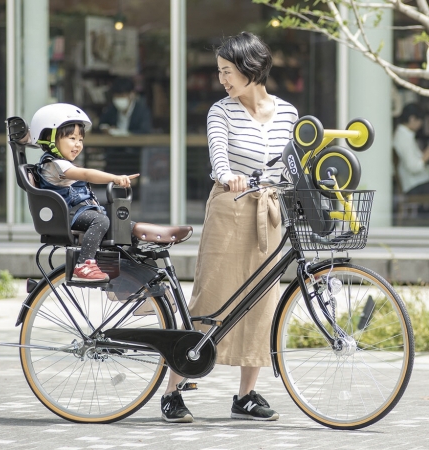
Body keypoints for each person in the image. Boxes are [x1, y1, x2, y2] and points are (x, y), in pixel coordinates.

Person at [160, 32, 298, 423]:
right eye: (219, 71)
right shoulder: (220, 111)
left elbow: (291, 165)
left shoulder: (288, 113)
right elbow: (218, 158)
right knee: (210, 297)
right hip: (229, 206)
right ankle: (172, 391)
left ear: (250, 68)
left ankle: (246, 396)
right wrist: (230, 176)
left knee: (260, 303)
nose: (222, 79)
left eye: (227, 71)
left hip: (269, 213)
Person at [29, 103, 139, 282]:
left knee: (128, 227)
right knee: (100, 220)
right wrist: (115, 178)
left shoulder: (63, 164)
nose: (77, 144)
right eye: (72, 138)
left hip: (81, 211)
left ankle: (131, 273)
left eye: (80, 140)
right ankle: (84, 264)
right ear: (50, 138)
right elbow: (87, 174)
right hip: (69, 215)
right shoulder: (55, 165)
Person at [393, 103, 429, 195]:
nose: (421, 124)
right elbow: (413, 167)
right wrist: (426, 155)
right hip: (414, 184)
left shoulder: (406, 135)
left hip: (418, 181)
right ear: (412, 119)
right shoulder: (403, 138)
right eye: (420, 120)